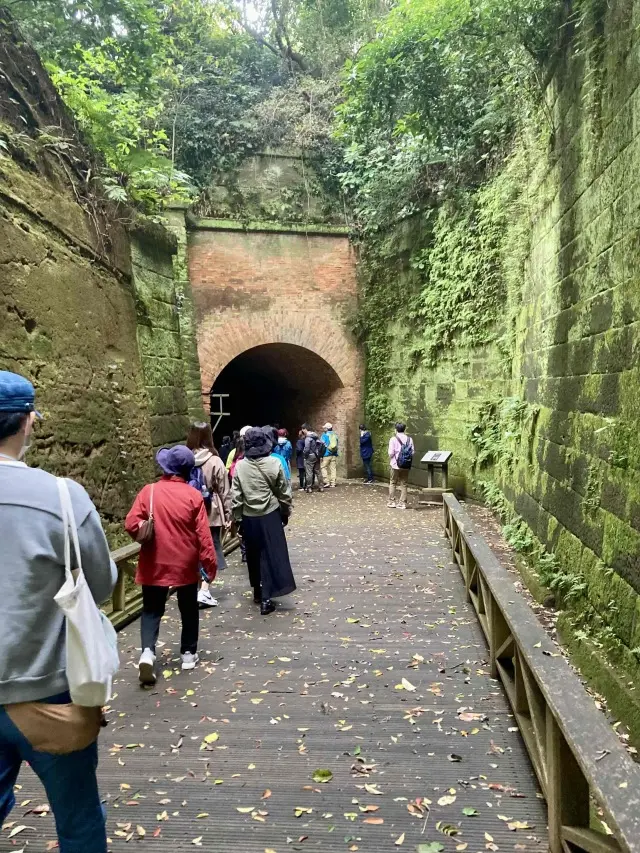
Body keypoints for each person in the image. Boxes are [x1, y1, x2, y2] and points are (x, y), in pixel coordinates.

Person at [0, 371, 116, 853]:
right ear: (28, 423)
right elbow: (104, 584)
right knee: (78, 818)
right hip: (50, 695)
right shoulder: (62, 497)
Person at [125, 445, 217, 684]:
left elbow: (131, 523)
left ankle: (147, 652)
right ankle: (188, 653)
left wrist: (145, 535)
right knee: (188, 608)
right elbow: (203, 536)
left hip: (154, 560)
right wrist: (210, 565)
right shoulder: (193, 496)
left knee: (151, 609)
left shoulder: (149, 491)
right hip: (185, 562)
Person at [232, 428, 295, 615]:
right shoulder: (274, 463)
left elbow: (236, 497)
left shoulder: (241, 466)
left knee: (254, 555)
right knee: (270, 554)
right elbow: (284, 492)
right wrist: (285, 511)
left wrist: (237, 520)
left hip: (249, 518)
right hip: (270, 515)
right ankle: (267, 598)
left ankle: (258, 592)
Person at [187, 422, 232, 608]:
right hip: (211, 510)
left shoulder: (184, 458)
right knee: (211, 549)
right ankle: (204, 590)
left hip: (188, 510)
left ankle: (197, 587)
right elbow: (224, 490)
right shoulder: (215, 461)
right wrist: (229, 514)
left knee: (192, 550)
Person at [388, 422, 415, 510]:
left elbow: (391, 453)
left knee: (393, 483)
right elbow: (413, 452)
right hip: (406, 465)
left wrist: (394, 457)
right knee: (404, 484)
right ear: (404, 429)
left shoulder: (393, 439)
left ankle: (392, 502)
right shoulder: (409, 439)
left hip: (395, 465)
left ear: (395, 429)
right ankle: (402, 503)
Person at [302, 424, 325, 493]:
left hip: (310, 456)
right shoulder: (316, 436)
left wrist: (305, 456)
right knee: (318, 472)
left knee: (309, 472)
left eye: (303, 429)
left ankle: (309, 487)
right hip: (317, 455)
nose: (302, 431)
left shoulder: (308, 438)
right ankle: (321, 487)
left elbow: (306, 449)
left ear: (305, 429)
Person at [320, 422, 339, 488]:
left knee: (323, 467)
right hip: (333, 454)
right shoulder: (335, 435)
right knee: (333, 469)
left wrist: (321, 455)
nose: (324, 429)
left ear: (327, 429)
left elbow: (321, 446)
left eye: (325, 428)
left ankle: (326, 481)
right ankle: (333, 483)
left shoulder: (324, 436)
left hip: (326, 454)